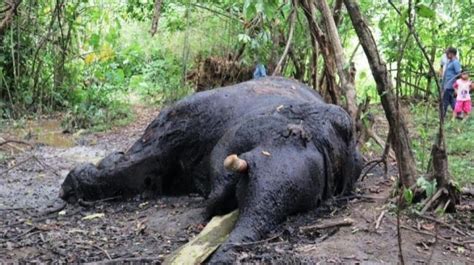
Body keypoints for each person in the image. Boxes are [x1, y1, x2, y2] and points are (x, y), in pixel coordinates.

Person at [442, 47, 462, 117]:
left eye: (447, 53)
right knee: (451, 100)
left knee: (445, 100)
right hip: (447, 84)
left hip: (450, 85)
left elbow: (459, 74)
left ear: (452, 54)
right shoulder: (449, 62)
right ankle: (459, 113)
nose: (446, 55)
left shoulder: (456, 62)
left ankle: (442, 115)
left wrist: (457, 86)